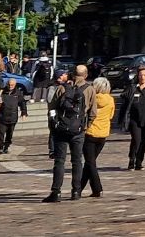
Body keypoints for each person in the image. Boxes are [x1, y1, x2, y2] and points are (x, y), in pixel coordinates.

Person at [43, 64, 95, 202]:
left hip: (61, 129)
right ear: (86, 75)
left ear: (73, 74)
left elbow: (52, 107)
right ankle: (76, 191)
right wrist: (85, 126)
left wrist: (53, 125)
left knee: (59, 161)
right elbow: (93, 112)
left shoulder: (62, 88)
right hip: (78, 130)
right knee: (77, 161)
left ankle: (56, 192)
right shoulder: (90, 89)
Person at [77, 78, 114, 198]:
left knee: (90, 163)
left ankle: (98, 188)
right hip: (103, 135)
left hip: (90, 133)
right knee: (90, 163)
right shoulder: (110, 100)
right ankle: (79, 188)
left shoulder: (91, 99)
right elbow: (111, 115)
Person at [0, 77, 28, 154]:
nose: (10, 86)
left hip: (12, 117)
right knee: (1, 134)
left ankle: (6, 147)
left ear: (15, 85)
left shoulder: (18, 93)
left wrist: (24, 113)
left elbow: (22, 103)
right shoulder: (1, 92)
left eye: (12, 85)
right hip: (2, 117)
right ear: (7, 84)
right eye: (9, 84)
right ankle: (0, 147)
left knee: (9, 134)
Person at [46, 70, 69, 159]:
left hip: (61, 112)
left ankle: (58, 149)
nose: (66, 75)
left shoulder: (65, 86)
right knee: (53, 131)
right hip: (54, 112)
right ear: (60, 77)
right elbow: (50, 100)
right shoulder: (52, 87)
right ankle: (52, 150)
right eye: (64, 74)